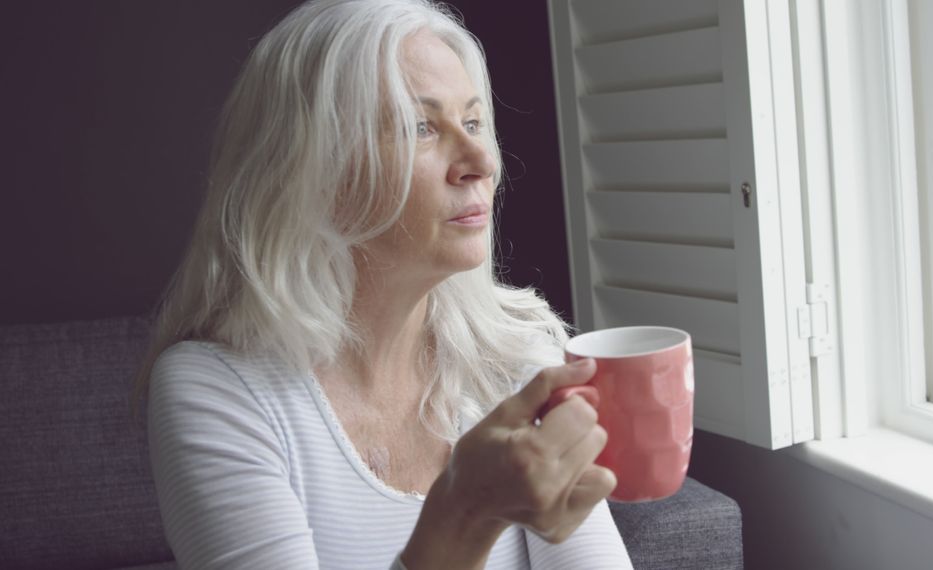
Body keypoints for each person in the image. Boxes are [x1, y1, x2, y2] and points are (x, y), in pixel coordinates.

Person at [133, 0, 633, 568]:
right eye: (420, 127)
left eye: (473, 123)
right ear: (312, 167)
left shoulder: (516, 361)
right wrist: (464, 513)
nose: (480, 161)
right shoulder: (219, 392)